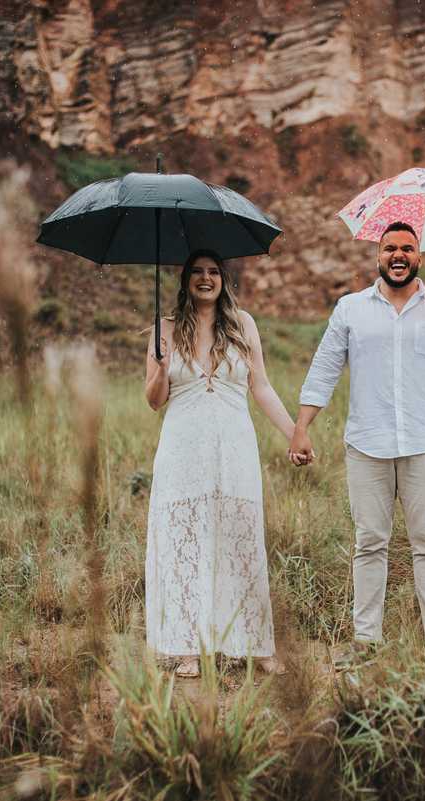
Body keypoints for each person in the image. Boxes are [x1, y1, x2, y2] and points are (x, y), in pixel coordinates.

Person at [288, 221, 425, 662]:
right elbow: (324, 369)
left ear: (420, 256)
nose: (398, 256)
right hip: (367, 443)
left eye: (408, 249)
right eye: (390, 249)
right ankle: (366, 641)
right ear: (377, 256)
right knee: (369, 543)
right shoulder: (351, 309)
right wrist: (302, 427)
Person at [144, 249, 294, 677]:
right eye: (197, 272)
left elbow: (261, 387)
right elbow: (155, 402)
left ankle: (256, 645)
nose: (206, 279)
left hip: (235, 446)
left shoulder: (242, 324)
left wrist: (294, 434)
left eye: (213, 272)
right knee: (184, 543)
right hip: (182, 449)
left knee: (241, 539)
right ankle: (189, 648)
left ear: (223, 279)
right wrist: (158, 368)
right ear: (184, 278)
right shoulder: (164, 330)